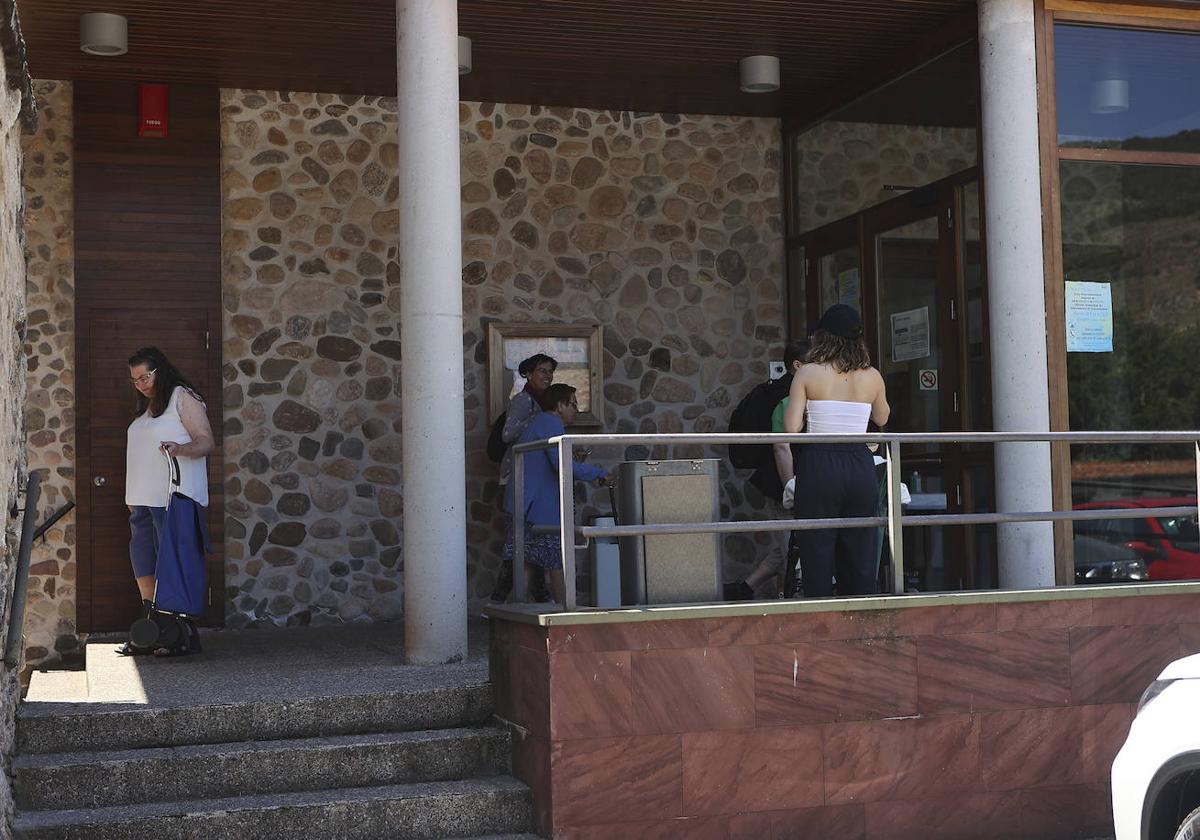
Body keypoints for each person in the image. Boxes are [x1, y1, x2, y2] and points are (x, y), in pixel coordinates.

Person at [784, 305, 890, 597]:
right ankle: (860, 623)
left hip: (819, 462)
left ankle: (819, 625)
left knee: (816, 551)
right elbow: (882, 418)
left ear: (823, 338)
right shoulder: (873, 377)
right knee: (860, 552)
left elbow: (791, 427)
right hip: (859, 463)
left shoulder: (808, 373)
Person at [120, 347, 214, 656]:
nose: (141, 384)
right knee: (144, 560)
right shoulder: (147, 410)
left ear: (160, 370)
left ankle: (176, 630)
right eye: (135, 380)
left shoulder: (182, 398)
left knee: (172, 562)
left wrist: (180, 449)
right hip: (142, 500)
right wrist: (130, 496)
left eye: (145, 376)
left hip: (173, 497)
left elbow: (205, 441)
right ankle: (152, 625)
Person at [503, 384, 607, 606]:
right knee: (555, 562)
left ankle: (516, 614)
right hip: (538, 509)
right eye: (572, 404)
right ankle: (566, 615)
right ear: (559, 406)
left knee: (526, 564)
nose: (575, 410)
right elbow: (560, 464)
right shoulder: (551, 423)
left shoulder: (540, 422)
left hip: (524, 504)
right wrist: (598, 473)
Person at [725, 339, 810, 600]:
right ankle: (791, 601)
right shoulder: (788, 397)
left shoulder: (781, 391)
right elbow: (781, 447)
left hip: (776, 480)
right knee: (791, 547)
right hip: (784, 482)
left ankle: (744, 588)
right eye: (814, 362)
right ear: (797, 365)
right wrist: (790, 487)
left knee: (788, 542)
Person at [491, 353, 557, 602]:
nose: (547, 375)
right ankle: (500, 599)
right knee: (518, 539)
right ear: (528, 374)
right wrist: (537, 420)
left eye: (550, 371)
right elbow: (508, 435)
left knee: (530, 539)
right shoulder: (524, 401)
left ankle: (538, 596)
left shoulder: (542, 402)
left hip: (533, 479)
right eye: (541, 370)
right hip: (518, 478)